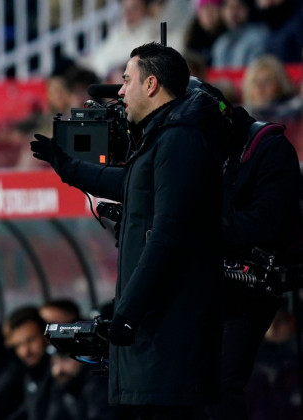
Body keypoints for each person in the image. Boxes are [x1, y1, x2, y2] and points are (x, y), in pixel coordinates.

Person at [31, 42, 224, 418]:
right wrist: (68, 167)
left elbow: (168, 236)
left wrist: (128, 312)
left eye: (126, 80)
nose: (120, 91)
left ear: (151, 84)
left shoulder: (179, 139)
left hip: (167, 335)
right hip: (155, 334)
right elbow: (131, 185)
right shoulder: (163, 136)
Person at [209, 103, 303, 419]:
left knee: (222, 381)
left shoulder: (268, 146)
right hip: (203, 282)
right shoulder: (194, 149)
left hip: (254, 283)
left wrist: (198, 231)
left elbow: (267, 222)